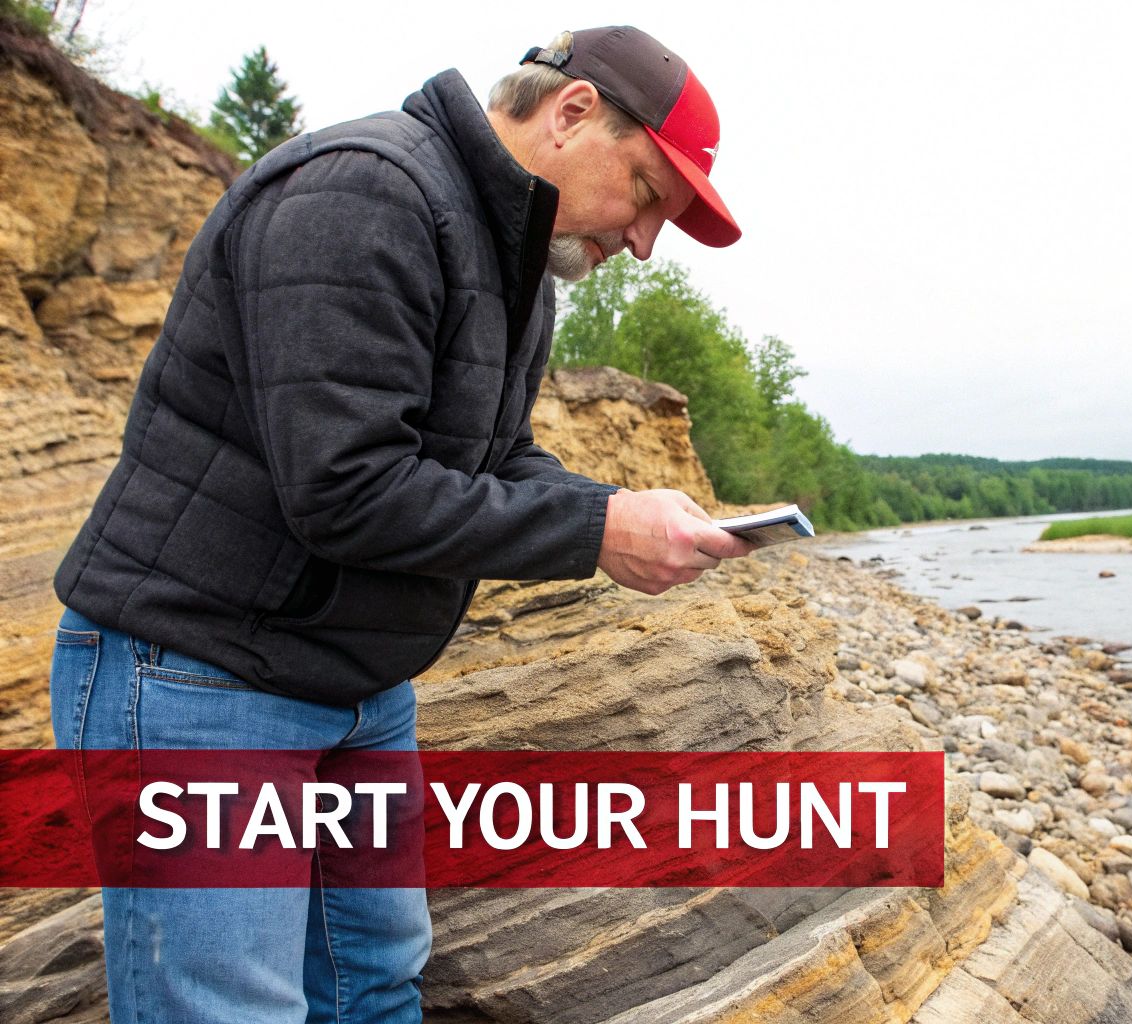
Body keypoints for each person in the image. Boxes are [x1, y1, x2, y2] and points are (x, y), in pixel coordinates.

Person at [47, 25, 750, 1023]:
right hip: (198, 674)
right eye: (645, 193)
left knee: (372, 989)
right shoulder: (365, 192)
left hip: (358, 684)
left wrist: (607, 510)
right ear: (573, 112)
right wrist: (596, 534)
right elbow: (347, 487)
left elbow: (490, 458)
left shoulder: (515, 259)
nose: (643, 241)